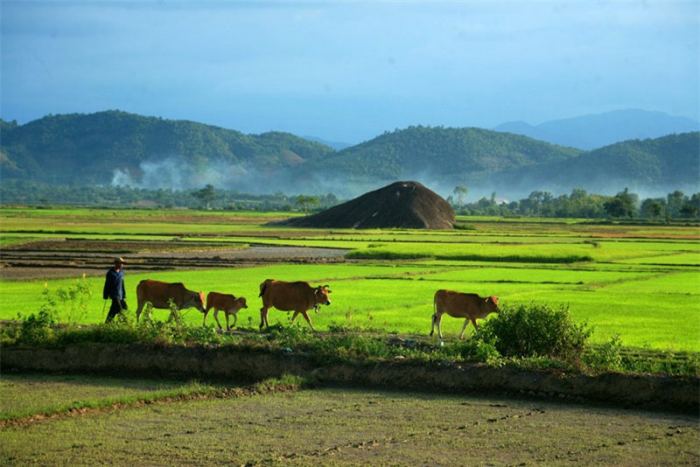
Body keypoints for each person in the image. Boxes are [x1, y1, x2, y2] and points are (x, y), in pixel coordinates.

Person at [103, 257, 127, 323]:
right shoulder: (110, 273)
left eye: (122, 264)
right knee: (120, 309)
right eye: (121, 263)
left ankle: (107, 323)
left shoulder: (121, 273)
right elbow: (107, 285)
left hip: (120, 295)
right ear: (116, 263)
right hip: (114, 295)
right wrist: (105, 294)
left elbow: (122, 284)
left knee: (121, 308)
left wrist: (124, 295)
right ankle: (126, 323)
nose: (122, 265)